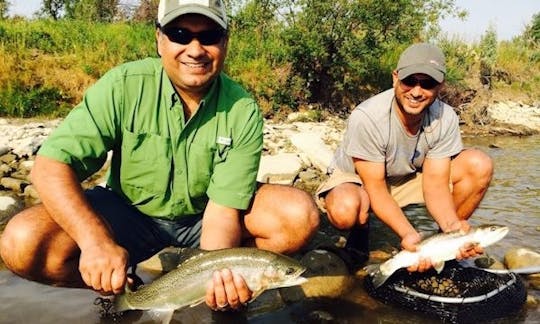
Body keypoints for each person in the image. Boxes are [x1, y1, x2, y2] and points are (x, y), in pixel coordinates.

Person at [0, 0, 319, 312]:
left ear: (226, 42)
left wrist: (215, 278)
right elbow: (50, 166)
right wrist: (95, 241)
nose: (195, 49)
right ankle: (125, 287)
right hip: (128, 214)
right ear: (159, 38)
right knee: (21, 242)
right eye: (180, 34)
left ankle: (212, 290)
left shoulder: (241, 108)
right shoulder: (123, 86)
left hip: (202, 216)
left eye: (209, 36)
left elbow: (222, 213)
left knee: (296, 215)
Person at [316, 43, 493, 272]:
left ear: (440, 86)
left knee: (479, 165)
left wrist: (452, 231)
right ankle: (360, 233)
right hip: (359, 179)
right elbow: (376, 187)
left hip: (406, 175)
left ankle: (442, 248)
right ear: (395, 78)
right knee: (345, 210)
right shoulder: (368, 117)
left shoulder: (445, 117)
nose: (417, 92)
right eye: (410, 81)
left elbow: (436, 184)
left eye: (427, 83)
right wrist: (408, 234)